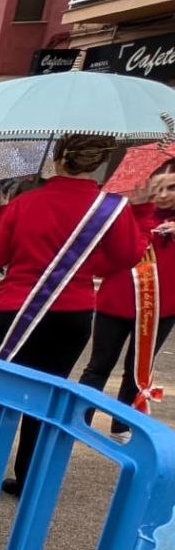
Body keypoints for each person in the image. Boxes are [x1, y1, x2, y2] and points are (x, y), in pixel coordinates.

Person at [0, 134, 144, 496]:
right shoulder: (111, 207)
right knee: (48, 395)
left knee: (0, 391)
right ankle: (28, 480)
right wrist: (88, 268)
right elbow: (129, 255)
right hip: (71, 313)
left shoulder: (24, 203)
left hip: (14, 309)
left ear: (57, 160)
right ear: (99, 163)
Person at [82, 169, 175, 435]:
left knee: (137, 371)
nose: (164, 195)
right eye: (158, 187)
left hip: (160, 309)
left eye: (172, 188)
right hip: (116, 303)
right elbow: (100, 261)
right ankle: (80, 419)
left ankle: (122, 426)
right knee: (98, 365)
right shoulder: (127, 216)